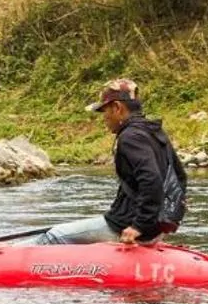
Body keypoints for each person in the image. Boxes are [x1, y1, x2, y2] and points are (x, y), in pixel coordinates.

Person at [33, 78, 187, 245]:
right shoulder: (154, 131)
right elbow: (180, 177)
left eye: (105, 111)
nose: (104, 118)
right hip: (154, 228)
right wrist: (162, 224)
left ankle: (2, 260)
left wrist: (139, 226)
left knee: (53, 236)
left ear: (117, 108)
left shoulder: (130, 137)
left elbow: (151, 180)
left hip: (125, 226)